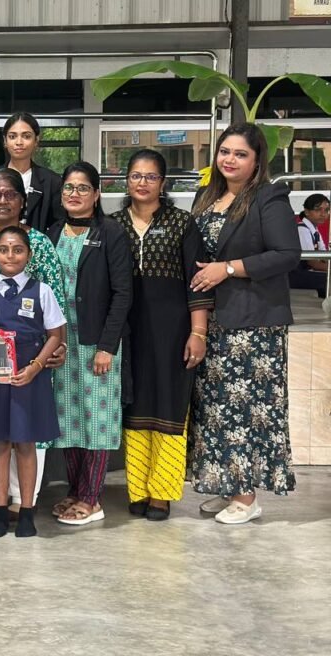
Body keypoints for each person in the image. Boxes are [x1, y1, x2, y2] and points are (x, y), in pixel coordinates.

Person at [189, 122, 301, 525]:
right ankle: (229, 486)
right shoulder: (207, 196)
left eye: (240, 154)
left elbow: (288, 253)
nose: (230, 160)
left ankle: (247, 496)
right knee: (216, 408)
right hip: (214, 319)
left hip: (254, 324)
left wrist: (229, 268)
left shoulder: (268, 197)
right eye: (225, 152)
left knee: (247, 408)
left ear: (256, 162)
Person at [0, 167, 64, 519]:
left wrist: (54, 350)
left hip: (31, 359)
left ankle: (24, 500)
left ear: (23, 200)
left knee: (27, 434)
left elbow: (55, 309)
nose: (2, 200)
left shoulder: (41, 245)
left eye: (10, 194)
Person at [112, 150, 212, 521]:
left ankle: (163, 493)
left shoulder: (182, 223)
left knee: (169, 406)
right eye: (136, 176)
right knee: (134, 405)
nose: (142, 183)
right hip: (128, 330)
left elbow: (197, 282)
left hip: (173, 331)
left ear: (163, 183)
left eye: (150, 176)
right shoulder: (112, 225)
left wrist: (198, 331)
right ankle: (137, 488)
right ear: (126, 180)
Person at [46, 162, 133, 526]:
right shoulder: (52, 232)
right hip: (62, 345)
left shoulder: (111, 232)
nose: (75, 194)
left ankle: (92, 498)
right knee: (68, 420)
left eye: (83, 188)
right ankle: (75, 490)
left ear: (97, 194)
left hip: (96, 343)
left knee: (96, 420)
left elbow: (123, 293)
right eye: (69, 187)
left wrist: (107, 346)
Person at [0, 112, 64, 232]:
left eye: (26, 136)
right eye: (12, 136)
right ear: (5, 141)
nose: (19, 142)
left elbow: (57, 225)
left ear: (36, 140)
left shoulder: (51, 181)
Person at [290, 193, 329, 298]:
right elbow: (312, 262)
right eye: (318, 210)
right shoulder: (302, 229)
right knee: (327, 280)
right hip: (296, 274)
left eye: (326, 210)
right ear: (307, 212)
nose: (323, 214)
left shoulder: (314, 230)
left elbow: (324, 255)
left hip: (306, 271)